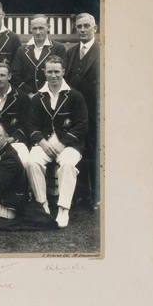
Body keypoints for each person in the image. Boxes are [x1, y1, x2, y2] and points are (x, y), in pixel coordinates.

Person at [26, 55, 88, 228]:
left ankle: (63, 209)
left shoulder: (75, 95)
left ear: (63, 72)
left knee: (68, 164)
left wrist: (63, 143)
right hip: (44, 143)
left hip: (69, 144)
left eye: (56, 71)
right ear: (44, 73)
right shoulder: (38, 97)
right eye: (49, 71)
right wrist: (42, 143)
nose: (53, 75)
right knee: (32, 162)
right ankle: (43, 206)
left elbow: (82, 125)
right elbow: (31, 124)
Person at [65, 13, 100, 203]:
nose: (83, 30)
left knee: (94, 150)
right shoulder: (70, 53)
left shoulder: (102, 50)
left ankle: (95, 195)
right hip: (75, 113)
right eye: (79, 26)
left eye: (87, 26)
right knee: (77, 150)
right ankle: (79, 193)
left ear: (95, 28)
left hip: (94, 111)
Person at [11, 14, 67, 97]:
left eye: (41, 28)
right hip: (28, 97)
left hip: (52, 96)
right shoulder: (21, 50)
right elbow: (15, 75)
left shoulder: (58, 48)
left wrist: (45, 93)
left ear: (48, 27)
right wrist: (29, 93)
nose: (38, 32)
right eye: (35, 28)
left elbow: (62, 74)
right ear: (30, 29)